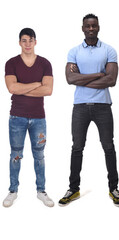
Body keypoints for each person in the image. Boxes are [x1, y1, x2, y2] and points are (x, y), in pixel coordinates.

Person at [59, 13, 119, 207]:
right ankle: (73, 188)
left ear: (98, 27)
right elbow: (70, 79)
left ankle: (114, 188)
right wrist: (98, 74)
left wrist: (83, 78)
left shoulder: (109, 50)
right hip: (80, 107)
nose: (91, 29)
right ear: (82, 28)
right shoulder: (74, 51)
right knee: (77, 147)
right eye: (87, 26)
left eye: (94, 25)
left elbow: (111, 80)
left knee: (108, 147)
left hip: (103, 106)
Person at [3, 28, 54, 208]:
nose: (27, 44)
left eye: (30, 40)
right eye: (24, 40)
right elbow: (12, 88)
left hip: (39, 118)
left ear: (35, 42)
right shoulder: (11, 63)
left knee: (39, 155)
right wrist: (35, 84)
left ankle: (41, 191)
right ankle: (13, 190)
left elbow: (48, 90)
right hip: (17, 116)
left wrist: (22, 87)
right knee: (15, 154)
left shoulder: (45, 63)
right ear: (19, 42)